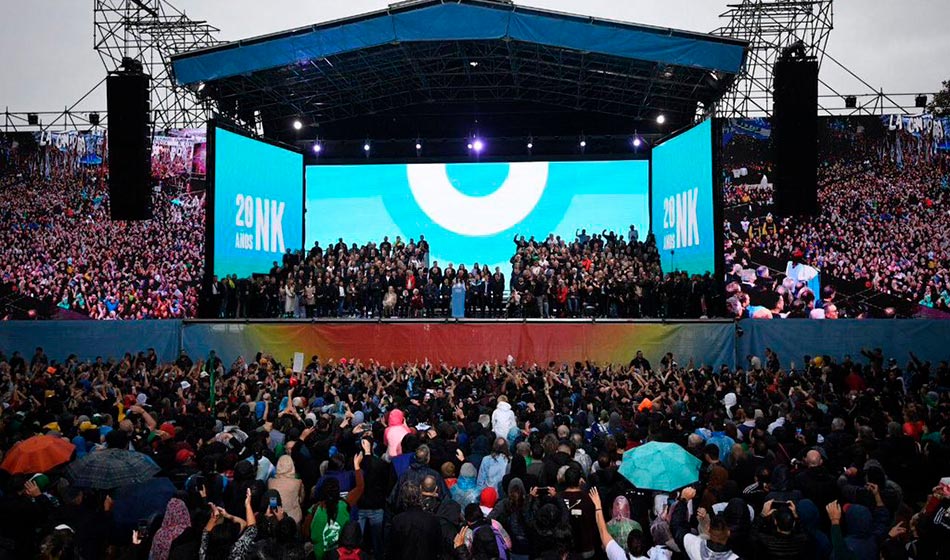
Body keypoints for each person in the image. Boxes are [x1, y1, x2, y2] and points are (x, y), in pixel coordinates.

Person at [310, 453, 364, 559]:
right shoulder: (344, 505)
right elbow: (360, 487)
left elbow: (309, 534)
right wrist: (357, 465)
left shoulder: (315, 509)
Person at [268, 455, 304, 524]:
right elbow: (301, 499)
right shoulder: (297, 482)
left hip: (276, 517)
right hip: (294, 518)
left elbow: (272, 501)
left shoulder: (270, 482)